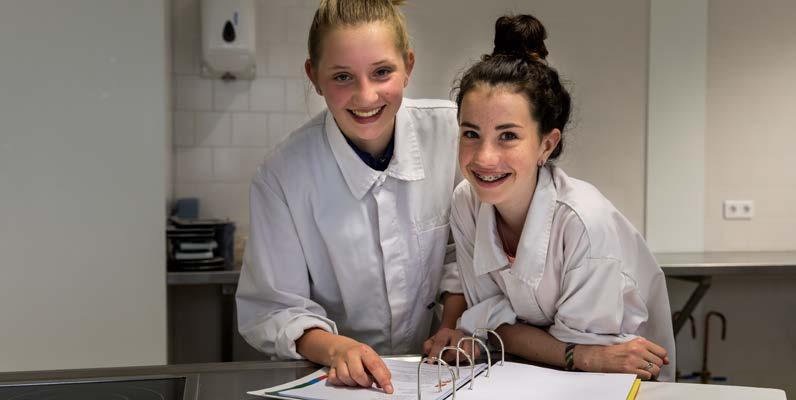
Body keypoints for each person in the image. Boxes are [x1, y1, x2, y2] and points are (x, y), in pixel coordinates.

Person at [235, 0, 468, 394]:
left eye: (382, 72)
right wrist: (337, 348)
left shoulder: (453, 134)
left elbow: (464, 253)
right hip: (337, 383)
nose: (366, 96)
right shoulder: (283, 174)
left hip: (440, 375)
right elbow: (274, 308)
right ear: (314, 76)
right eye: (343, 76)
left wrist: (451, 326)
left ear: (408, 66)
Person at [448, 14, 676, 381]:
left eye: (508, 136)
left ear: (546, 144)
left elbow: (595, 360)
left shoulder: (583, 222)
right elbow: (488, 322)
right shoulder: (467, 202)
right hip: (524, 376)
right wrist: (575, 353)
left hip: (620, 384)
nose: (484, 158)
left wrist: (575, 354)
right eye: (471, 133)